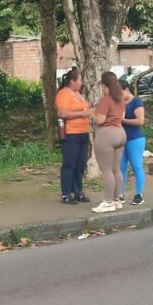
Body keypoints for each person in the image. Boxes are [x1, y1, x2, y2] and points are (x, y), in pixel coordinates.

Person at [55, 67, 92, 205]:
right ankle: (66, 193)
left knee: (80, 164)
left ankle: (78, 191)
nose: (81, 82)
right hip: (71, 134)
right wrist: (81, 114)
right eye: (80, 79)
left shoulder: (78, 94)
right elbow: (62, 113)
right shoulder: (64, 94)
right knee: (69, 164)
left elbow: (84, 108)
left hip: (83, 133)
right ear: (72, 81)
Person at [91, 72, 127, 213]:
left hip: (107, 135)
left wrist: (91, 113)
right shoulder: (121, 98)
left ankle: (107, 202)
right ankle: (117, 200)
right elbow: (122, 116)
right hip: (120, 132)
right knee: (116, 169)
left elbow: (100, 120)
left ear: (104, 85)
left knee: (106, 170)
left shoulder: (106, 100)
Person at [118, 79, 145, 205]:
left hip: (135, 138)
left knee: (136, 166)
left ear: (126, 89)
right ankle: (120, 194)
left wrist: (123, 121)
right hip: (121, 139)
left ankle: (139, 194)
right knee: (121, 167)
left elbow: (140, 121)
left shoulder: (136, 102)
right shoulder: (120, 102)